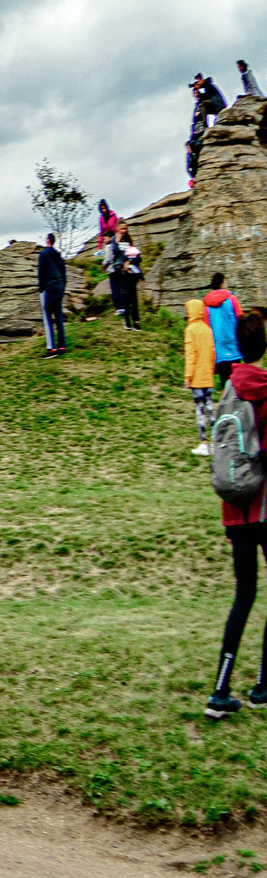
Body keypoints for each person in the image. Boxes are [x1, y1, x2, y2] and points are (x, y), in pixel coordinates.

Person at [209, 309, 267, 715]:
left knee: (243, 596)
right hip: (265, 508)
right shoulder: (265, 389)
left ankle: (220, 689)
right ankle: (263, 685)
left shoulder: (227, 389)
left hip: (234, 510)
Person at [190, 287, 221, 453]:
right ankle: (216, 443)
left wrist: (187, 377)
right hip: (208, 377)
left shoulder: (191, 330)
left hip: (196, 378)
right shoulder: (207, 329)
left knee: (199, 410)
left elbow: (190, 356)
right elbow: (212, 353)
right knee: (210, 409)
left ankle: (203, 444)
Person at [208, 273, 243, 386]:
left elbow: (206, 326)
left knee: (225, 382)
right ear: (222, 283)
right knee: (236, 382)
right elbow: (241, 318)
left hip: (219, 349)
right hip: (234, 346)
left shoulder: (206, 304)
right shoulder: (232, 299)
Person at [36, 233, 68, 354]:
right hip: (59, 287)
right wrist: (63, 287)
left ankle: (51, 348)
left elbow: (41, 272)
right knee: (59, 316)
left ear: (48, 240)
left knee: (48, 317)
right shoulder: (59, 256)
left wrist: (41, 288)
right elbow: (64, 274)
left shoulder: (43, 254)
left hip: (49, 288)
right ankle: (62, 346)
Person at [105, 230, 143, 329]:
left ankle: (134, 321)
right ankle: (129, 321)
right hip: (123, 274)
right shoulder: (116, 246)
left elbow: (138, 259)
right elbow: (115, 254)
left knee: (132, 298)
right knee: (127, 297)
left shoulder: (132, 249)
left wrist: (129, 261)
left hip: (131, 274)